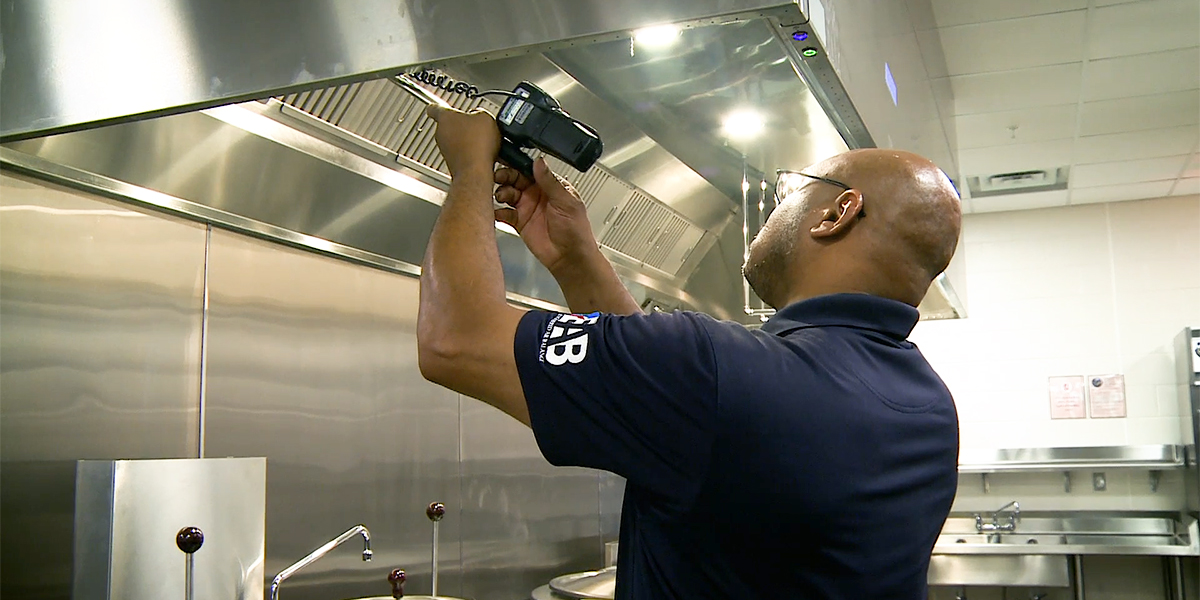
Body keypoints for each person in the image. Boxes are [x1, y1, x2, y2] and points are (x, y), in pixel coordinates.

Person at [416, 105, 962, 599]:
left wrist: (469, 166)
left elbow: (455, 338)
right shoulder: (928, 406)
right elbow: (687, 408)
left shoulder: (717, 368)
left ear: (837, 212)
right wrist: (575, 260)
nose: (776, 205)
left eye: (793, 188)